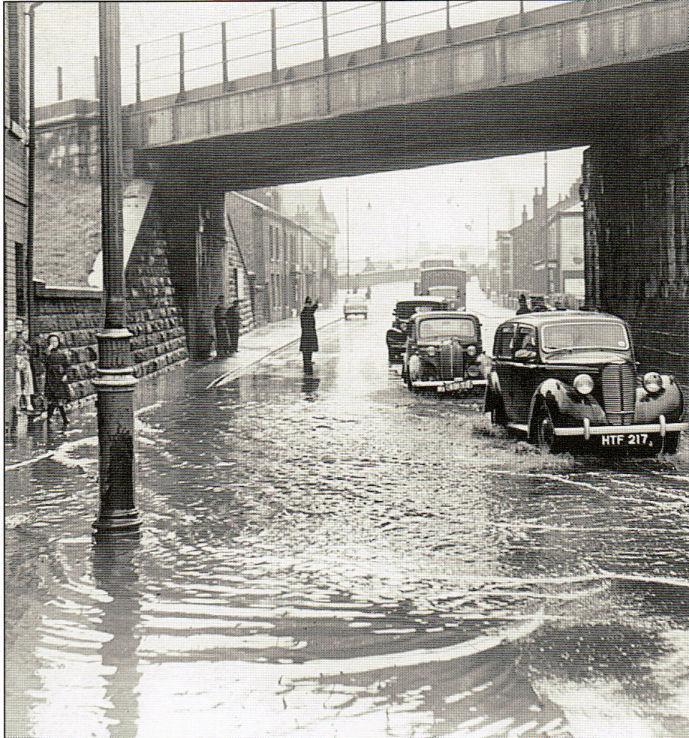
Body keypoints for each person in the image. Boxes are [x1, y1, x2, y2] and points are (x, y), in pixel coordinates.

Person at [44, 333, 71, 426]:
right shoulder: (47, 353)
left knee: (58, 399)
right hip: (51, 378)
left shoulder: (61, 353)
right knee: (53, 399)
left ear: (58, 342)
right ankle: (61, 418)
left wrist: (65, 375)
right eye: (51, 341)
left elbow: (67, 365)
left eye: (55, 341)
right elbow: (44, 362)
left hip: (59, 378)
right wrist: (48, 351)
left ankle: (52, 417)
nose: (53, 343)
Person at [15, 326, 35, 413]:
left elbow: (30, 351)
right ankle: (18, 406)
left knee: (28, 382)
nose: (26, 336)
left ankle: (28, 404)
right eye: (25, 334)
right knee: (18, 384)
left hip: (26, 366)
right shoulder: (18, 343)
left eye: (27, 334)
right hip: (19, 365)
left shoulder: (26, 347)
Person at [299, 296, 319, 373]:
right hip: (308, 334)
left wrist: (315, 304)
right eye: (309, 303)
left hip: (306, 334)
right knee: (307, 349)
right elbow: (312, 311)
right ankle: (307, 362)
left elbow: (312, 310)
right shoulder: (306, 311)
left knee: (307, 349)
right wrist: (316, 304)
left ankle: (307, 361)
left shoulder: (305, 311)